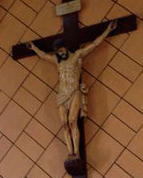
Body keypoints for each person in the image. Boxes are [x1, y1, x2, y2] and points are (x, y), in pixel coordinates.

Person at [26, 20, 116, 159]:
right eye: (57, 52)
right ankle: (70, 152)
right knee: (64, 124)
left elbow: (94, 44)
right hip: (62, 94)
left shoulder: (76, 55)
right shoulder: (57, 61)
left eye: (61, 50)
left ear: (65, 48)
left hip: (74, 92)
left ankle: (77, 152)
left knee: (73, 122)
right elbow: (44, 56)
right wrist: (34, 48)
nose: (60, 53)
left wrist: (107, 31)